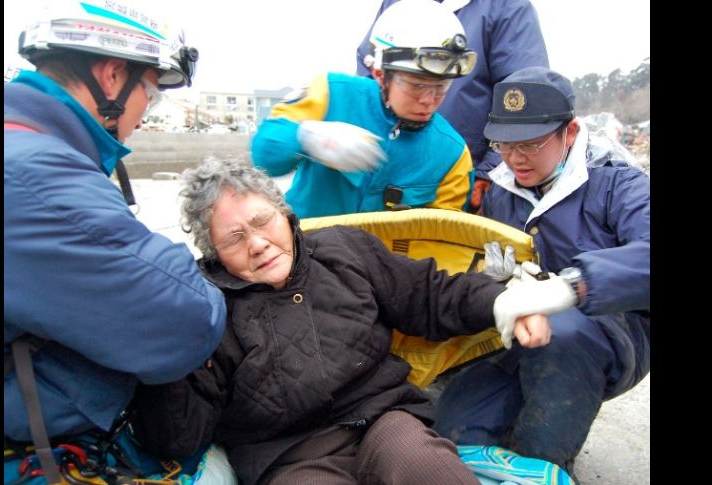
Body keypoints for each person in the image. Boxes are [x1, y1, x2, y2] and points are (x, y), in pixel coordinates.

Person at [129, 157, 581, 485]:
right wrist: (163, 357)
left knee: (432, 470)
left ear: (284, 213)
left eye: (262, 221)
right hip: (289, 456)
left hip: (384, 420)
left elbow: (429, 293)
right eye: (234, 238)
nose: (258, 243)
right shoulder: (206, 306)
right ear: (215, 255)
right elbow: (178, 435)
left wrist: (504, 302)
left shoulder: (343, 249)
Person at [4, 1, 226, 481]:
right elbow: (184, 321)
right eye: (152, 94)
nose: (146, 115)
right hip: (41, 445)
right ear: (112, 77)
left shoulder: (28, 148)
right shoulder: (34, 174)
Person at [434, 66, 650, 479]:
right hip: (521, 333)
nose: (515, 158)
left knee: (563, 340)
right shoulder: (500, 189)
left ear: (569, 132)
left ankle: (549, 461)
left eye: (531, 143)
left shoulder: (617, 184)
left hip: (607, 332)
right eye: (504, 143)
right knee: (451, 434)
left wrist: (572, 287)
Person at [251, 0, 477, 218]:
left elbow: (441, 237)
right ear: (380, 74)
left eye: (442, 86)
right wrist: (306, 137)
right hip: (304, 249)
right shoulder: (331, 93)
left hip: (384, 258)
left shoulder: (453, 155)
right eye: (417, 85)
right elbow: (264, 156)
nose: (430, 100)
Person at [356, 0, 549, 213]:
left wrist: (489, 172)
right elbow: (370, 60)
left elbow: (524, 99)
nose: (428, 100)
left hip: (465, 173)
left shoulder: (506, 7)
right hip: (384, 168)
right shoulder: (395, 4)